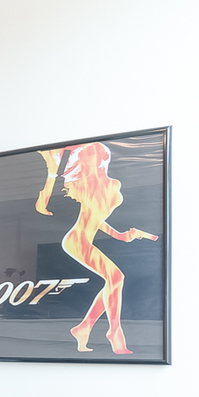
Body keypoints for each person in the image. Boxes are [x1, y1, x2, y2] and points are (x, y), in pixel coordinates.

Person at [34, 142, 157, 355]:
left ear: (102, 159)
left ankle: (83, 328)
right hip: (76, 240)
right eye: (86, 159)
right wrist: (51, 174)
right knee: (116, 278)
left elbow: (97, 220)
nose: (90, 162)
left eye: (94, 157)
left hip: (84, 239)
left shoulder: (112, 185)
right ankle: (114, 332)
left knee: (113, 281)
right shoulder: (84, 186)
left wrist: (121, 235)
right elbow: (50, 205)